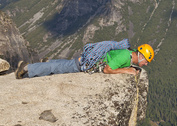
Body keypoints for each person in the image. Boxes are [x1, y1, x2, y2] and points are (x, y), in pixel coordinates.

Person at [15, 41, 154, 79]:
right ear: (141, 55)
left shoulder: (128, 53)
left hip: (88, 60)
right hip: (86, 64)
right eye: (146, 61)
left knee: (64, 65)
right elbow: (107, 70)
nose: (146, 64)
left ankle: (46, 63)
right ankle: (27, 69)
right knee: (58, 69)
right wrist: (126, 70)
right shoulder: (125, 55)